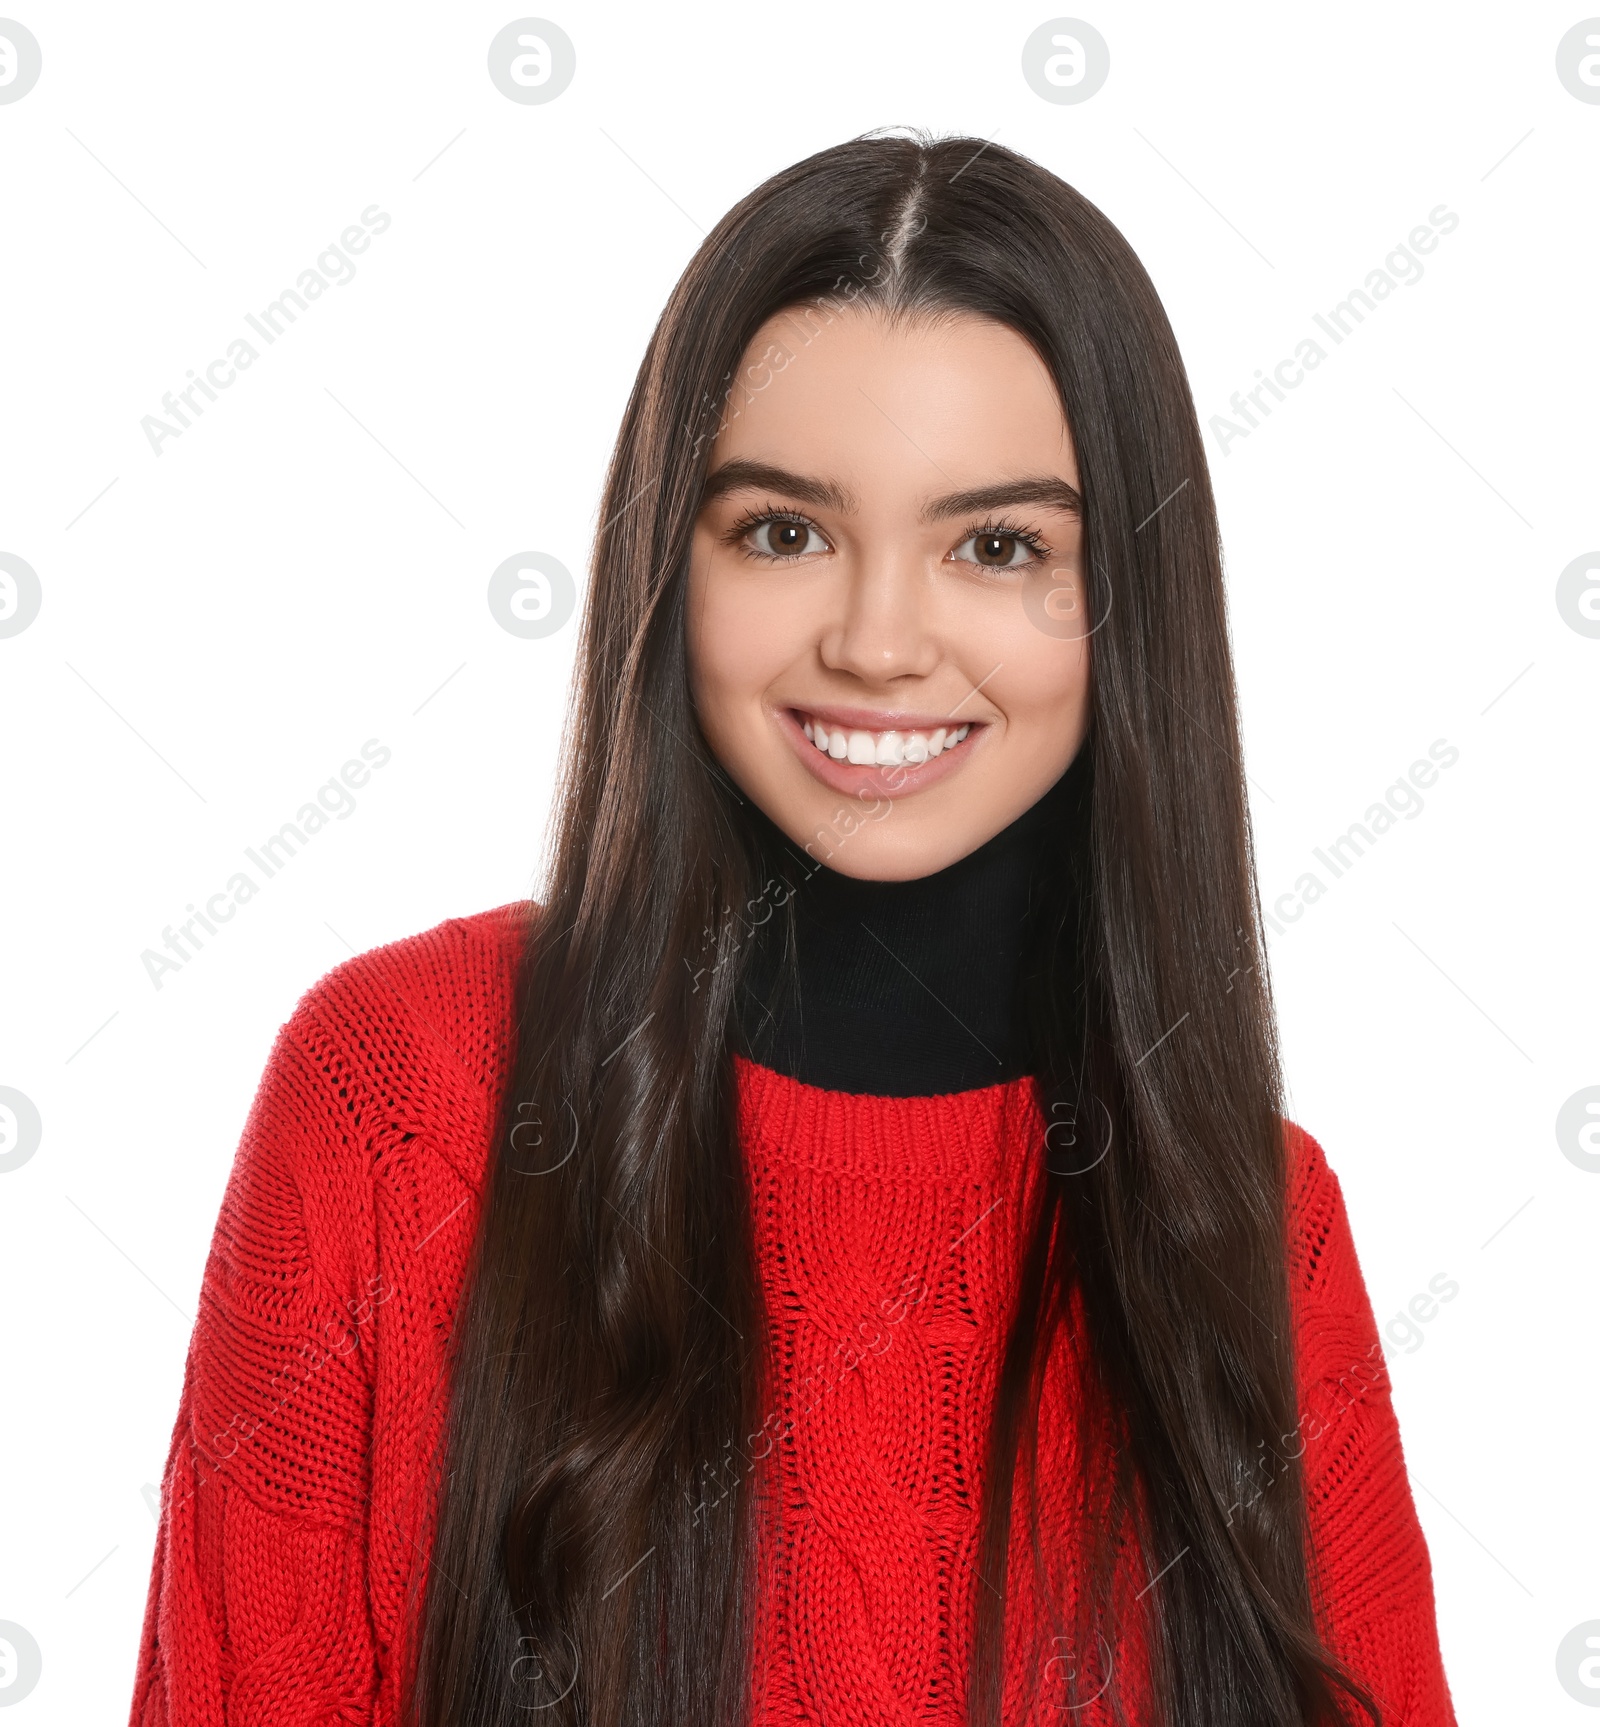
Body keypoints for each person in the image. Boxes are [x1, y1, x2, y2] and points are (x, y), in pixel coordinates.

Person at [127, 129, 1458, 1727]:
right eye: (783, 530)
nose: (880, 639)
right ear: (665, 566)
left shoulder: (1252, 1226)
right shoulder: (397, 1105)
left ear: (1124, 604)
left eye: (998, 546)